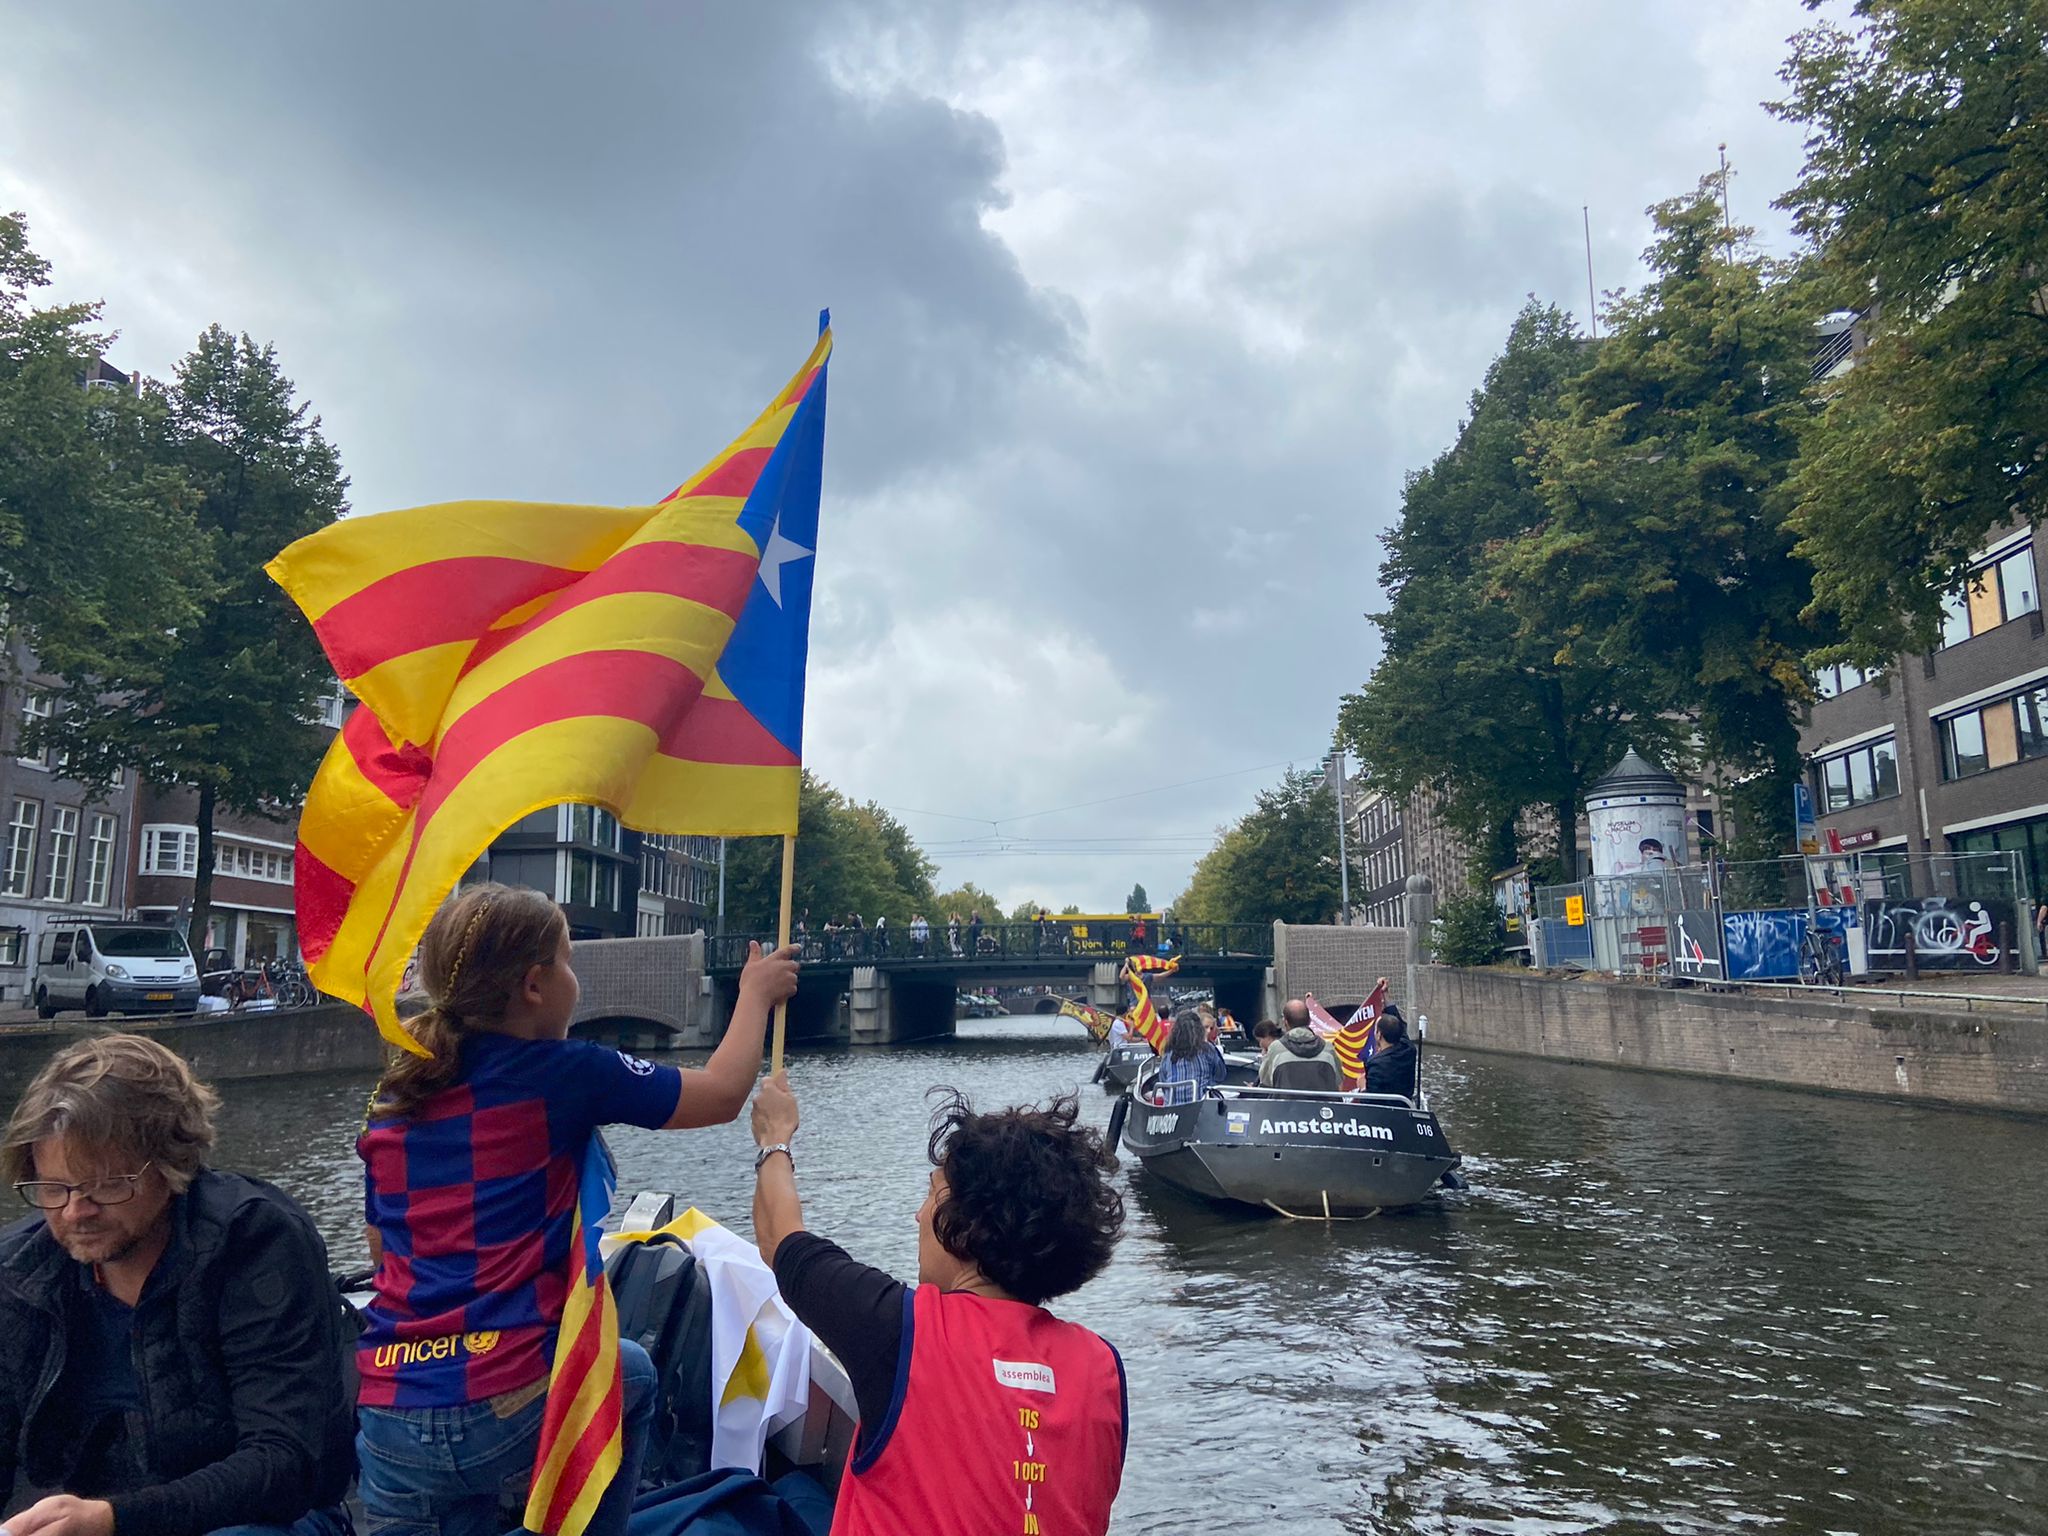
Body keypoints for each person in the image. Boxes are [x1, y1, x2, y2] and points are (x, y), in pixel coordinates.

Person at [352, 883, 799, 1536]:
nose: (575, 981)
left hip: (390, 1410)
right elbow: (724, 1093)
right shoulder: (565, 1074)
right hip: (508, 1403)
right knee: (632, 1374)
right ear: (535, 986)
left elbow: (381, 1252)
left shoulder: (393, 1095)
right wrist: (755, 994)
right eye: (568, 963)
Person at [0, 1035, 355, 1536]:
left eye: (105, 1184)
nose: (76, 1211)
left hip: (262, 1519)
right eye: (53, 1188)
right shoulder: (20, 1273)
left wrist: (115, 1520)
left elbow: (284, 1461)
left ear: (170, 1166)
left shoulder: (253, 1242)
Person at [749, 1076, 1127, 1536]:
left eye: (932, 1193)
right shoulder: (1103, 1369)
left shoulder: (900, 1331)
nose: (919, 1214)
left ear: (964, 1225)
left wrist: (775, 1138)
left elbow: (779, 1238)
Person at [1257, 998, 1341, 1089]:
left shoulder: (1276, 1049)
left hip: (1286, 1099)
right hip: (1322, 1099)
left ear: (1285, 1022)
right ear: (1309, 1021)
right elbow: (1338, 1081)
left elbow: (1265, 1081)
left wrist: (1265, 1057)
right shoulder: (1328, 1049)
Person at [1153, 1011, 1226, 1104]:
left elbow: (1163, 1080)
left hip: (1171, 1108)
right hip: (1199, 1107)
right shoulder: (1207, 1050)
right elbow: (1220, 1075)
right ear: (1199, 1030)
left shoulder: (1168, 1053)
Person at [1365, 1007, 1420, 1101]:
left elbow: (1370, 1101)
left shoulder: (1376, 1065)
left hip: (1385, 1109)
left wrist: (1362, 1087)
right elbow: (1400, 1029)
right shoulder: (1409, 1049)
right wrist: (1388, 1004)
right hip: (1405, 1105)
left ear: (1379, 1035)